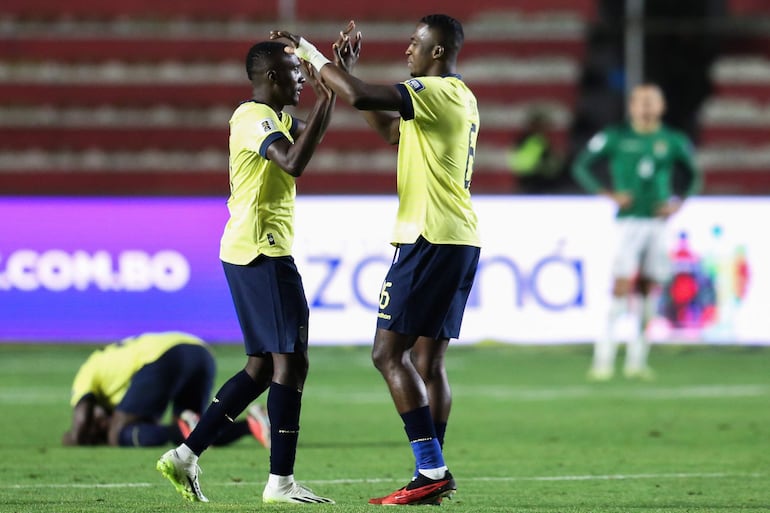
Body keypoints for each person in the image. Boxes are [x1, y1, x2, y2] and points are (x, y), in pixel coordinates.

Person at [271, 14, 480, 506]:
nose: (407, 50)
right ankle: (431, 469)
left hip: (428, 236)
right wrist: (340, 73)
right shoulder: (460, 98)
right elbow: (390, 130)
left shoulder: (439, 91)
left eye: (415, 43)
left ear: (436, 52)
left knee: (388, 354)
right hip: (458, 236)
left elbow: (363, 94)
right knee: (428, 359)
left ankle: (431, 469)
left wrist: (311, 54)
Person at [156, 39, 339, 505]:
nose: (301, 81)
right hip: (262, 251)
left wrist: (320, 67)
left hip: (250, 249)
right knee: (291, 361)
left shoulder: (274, 118)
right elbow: (295, 161)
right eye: (294, 74)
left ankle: (186, 455)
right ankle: (280, 482)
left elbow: (312, 135)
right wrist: (328, 93)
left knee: (261, 367)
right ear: (271, 78)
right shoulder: (254, 116)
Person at [571, 83, 702, 381]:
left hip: (658, 223)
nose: (645, 107)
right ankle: (603, 358)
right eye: (640, 101)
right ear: (631, 106)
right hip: (628, 222)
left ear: (661, 106)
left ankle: (637, 360)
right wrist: (608, 194)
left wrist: (679, 203)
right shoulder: (616, 137)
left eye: (651, 101)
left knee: (648, 288)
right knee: (620, 286)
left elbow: (694, 174)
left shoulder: (672, 140)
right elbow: (582, 166)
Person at [62, 331, 270, 448]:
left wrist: (76, 438)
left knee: (117, 434)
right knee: (196, 436)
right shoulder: (112, 374)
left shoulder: (87, 370)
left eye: (97, 421)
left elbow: (81, 415)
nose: (99, 422)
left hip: (163, 356)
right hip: (201, 352)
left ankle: (181, 428)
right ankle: (251, 424)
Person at [506, 108, 562, 194]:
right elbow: (548, 163)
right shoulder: (537, 141)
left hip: (527, 181)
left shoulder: (523, 139)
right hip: (534, 182)